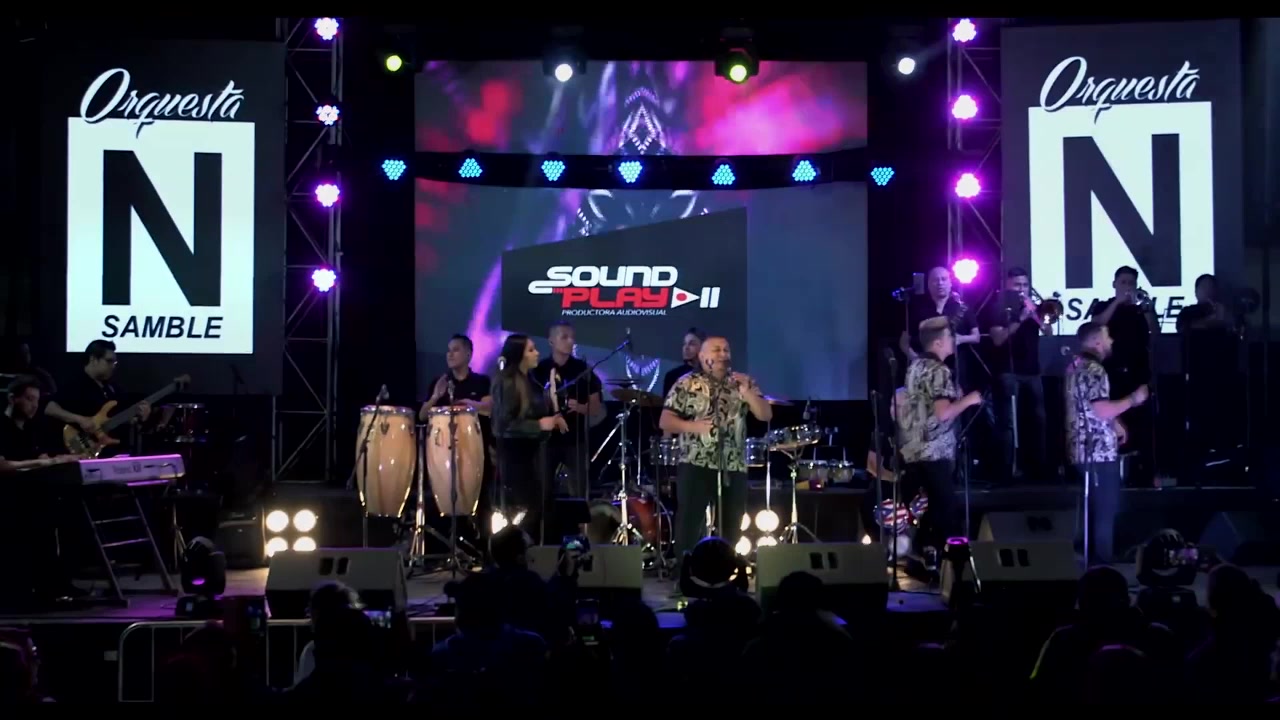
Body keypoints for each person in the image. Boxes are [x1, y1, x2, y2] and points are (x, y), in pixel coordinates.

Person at [659, 336, 772, 575]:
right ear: (702, 356)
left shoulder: (742, 382)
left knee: (731, 524)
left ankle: (724, 575)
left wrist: (747, 393)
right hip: (695, 462)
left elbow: (765, 415)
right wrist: (693, 426)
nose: (723, 354)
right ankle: (686, 575)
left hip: (733, 465)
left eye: (726, 350)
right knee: (690, 523)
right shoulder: (687, 383)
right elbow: (665, 420)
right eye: (716, 350)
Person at [897, 317, 982, 562]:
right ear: (938, 342)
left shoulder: (915, 366)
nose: (953, 340)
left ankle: (922, 555)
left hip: (915, 448)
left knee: (932, 509)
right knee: (947, 511)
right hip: (934, 451)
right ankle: (957, 565)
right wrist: (970, 400)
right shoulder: (939, 370)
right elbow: (943, 413)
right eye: (949, 337)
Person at [1064, 322, 1148, 564]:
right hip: (1096, 452)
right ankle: (1103, 567)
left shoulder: (1075, 366)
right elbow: (1100, 410)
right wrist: (1134, 399)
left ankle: (1090, 565)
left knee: (1093, 512)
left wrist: (1115, 422)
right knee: (1105, 513)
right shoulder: (1094, 369)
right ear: (1096, 341)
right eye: (1107, 336)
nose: (1111, 341)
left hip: (1081, 447)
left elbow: (1087, 406)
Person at [490, 334, 568, 544]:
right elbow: (503, 425)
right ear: (519, 355)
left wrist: (551, 419)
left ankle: (530, 550)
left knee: (543, 506)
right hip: (516, 457)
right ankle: (509, 546)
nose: (537, 353)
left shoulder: (530, 381)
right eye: (531, 350)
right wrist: (539, 425)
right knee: (533, 506)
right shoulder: (507, 382)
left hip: (532, 455)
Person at [1088, 266, 1158, 482]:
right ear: (1115, 284)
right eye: (1123, 282)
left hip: (1137, 374)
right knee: (1114, 422)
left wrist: (1148, 310)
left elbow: (1154, 332)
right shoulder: (1104, 305)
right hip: (1112, 374)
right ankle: (1111, 471)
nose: (1127, 287)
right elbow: (1096, 325)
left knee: (1141, 424)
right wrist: (1117, 302)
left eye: (1131, 283)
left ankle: (1141, 472)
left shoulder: (1140, 310)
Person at [984, 267, 1050, 483]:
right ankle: (1006, 470)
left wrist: (1037, 315)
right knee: (1007, 423)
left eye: (1025, 285)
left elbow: (1048, 331)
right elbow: (998, 339)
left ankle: (1038, 469)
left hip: (1033, 371)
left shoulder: (1034, 308)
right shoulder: (998, 308)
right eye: (1017, 285)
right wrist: (1020, 318)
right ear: (1007, 286)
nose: (1022, 290)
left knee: (1038, 420)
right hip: (1008, 371)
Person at [530, 322, 604, 500]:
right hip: (545, 439)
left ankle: (578, 518)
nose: (570, 341)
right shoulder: (538, 370)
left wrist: (580, 407)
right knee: (541, 491)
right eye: (564, 337)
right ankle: (544, 518)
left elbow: (596, 407)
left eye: (572, 338)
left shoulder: (583, 370)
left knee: (578, 492)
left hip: (575, 440)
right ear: (551, 341)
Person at [44, 340, 150, 455]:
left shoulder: (113, 388)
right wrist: (80, 419)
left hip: (110, 451)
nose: (113, 366)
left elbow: (123, 414)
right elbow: (50, 408)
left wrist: (139, 416)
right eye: (109, 361)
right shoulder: (74, 383)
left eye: (114, 362)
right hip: (78, 448)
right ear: (93, 359)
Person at [899, 266, 979, 362]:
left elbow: (976, 337)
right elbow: (904, 342)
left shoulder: (962, 307)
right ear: (928, 284)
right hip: (928, 366)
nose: (940, 283)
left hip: (958, 365)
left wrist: (961, 339)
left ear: (950, 283)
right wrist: (916, 359)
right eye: (935, 280)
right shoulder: (918, 310)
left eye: (944, 279)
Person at [419, 334, 492, 419]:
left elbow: (489, 409)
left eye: (455, 350)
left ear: (468, 354)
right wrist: (435, 397)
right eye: (448, 350)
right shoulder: (439, 382)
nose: (450, 354)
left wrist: (470, 404)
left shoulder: (482, 381)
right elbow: (422, 416)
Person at [662, 328, 706, 397]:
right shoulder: (672, 376)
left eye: (692, 344)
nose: (686, 347)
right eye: (684, 344)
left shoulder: (710, 375)